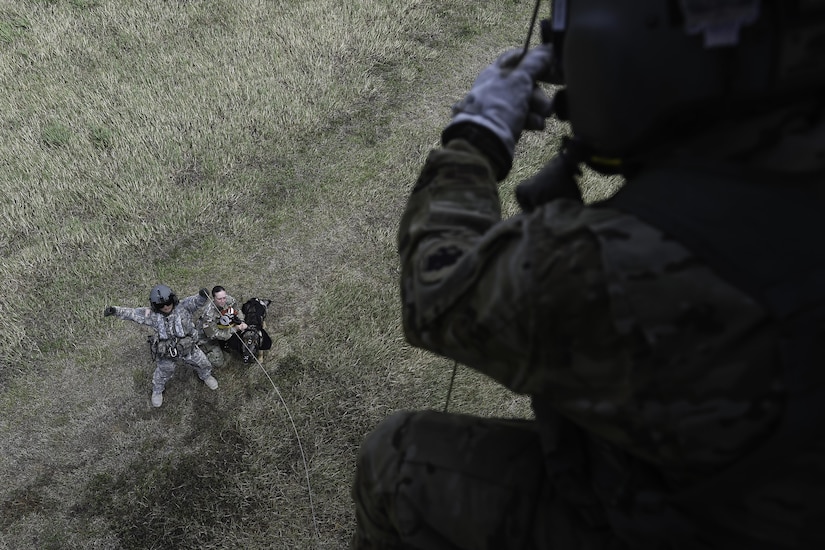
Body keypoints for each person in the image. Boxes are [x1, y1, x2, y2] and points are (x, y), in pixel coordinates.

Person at [351, 2, 825, 549]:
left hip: (713, 521)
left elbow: (436, 291)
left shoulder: (631, 263)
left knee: (397, 463)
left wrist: (475, 135)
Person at [104, 284, 219, 408]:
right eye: (160, 305)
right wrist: (115, 310)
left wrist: (202, 295)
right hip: (167, 352)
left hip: (188, 347)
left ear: (173, 299)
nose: (165, 306)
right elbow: (132, 313)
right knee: (163, 372)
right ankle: (158, 390)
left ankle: (206, 376)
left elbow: (197, 301)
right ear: (155, 306)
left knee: (203, 363)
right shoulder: (152, 315)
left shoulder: (184, 307)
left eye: (168, 302)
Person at [198, 285, 248, 367]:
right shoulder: (208, 315)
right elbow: (214, 334)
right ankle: (202, 350)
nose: (223, 301)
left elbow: (237, 311)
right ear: (214, 298)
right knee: (218, 362)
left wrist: (241, 322)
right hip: (208, 336)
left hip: (224, 327)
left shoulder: (229, 300)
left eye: (224, 297)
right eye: (219, 299)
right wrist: (235, 329)